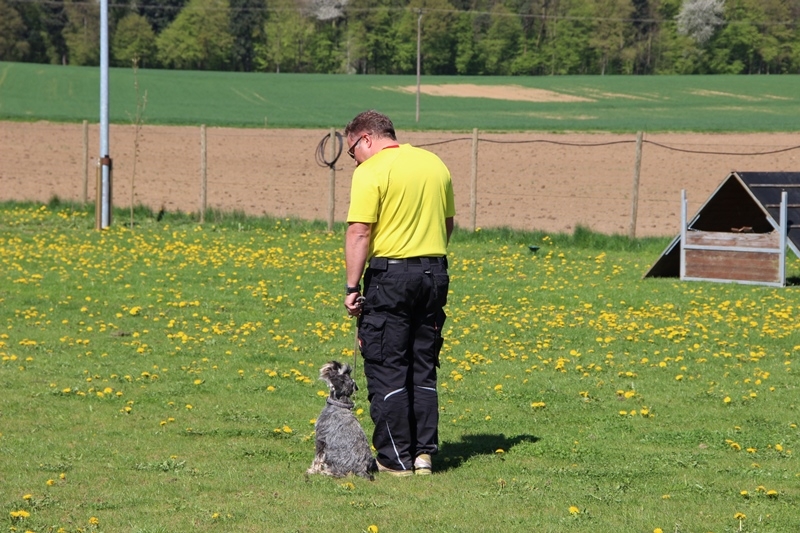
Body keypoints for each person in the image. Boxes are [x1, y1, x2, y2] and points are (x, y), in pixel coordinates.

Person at [343, 110, 455, 477]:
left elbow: (360, 231)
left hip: (391, 276)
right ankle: (424, 454)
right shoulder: (434, 164)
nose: (353, 159)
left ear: (366, 139)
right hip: (434, 272)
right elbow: (448, 222)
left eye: (351, 151)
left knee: (387, 365)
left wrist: (352, 287)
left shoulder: (370, 171)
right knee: (423, 365)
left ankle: (394, 459)